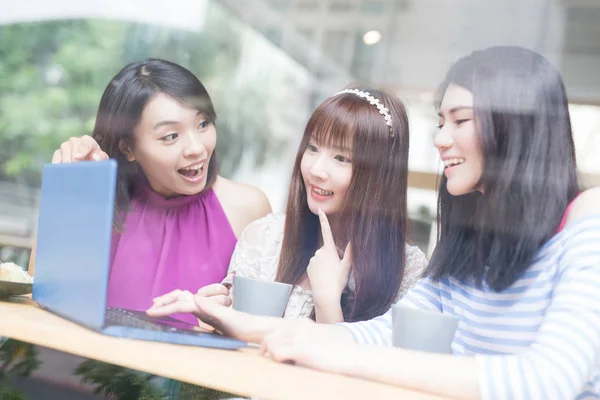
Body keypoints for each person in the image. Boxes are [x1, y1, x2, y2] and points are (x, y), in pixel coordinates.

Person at [150, 47, 600, 399]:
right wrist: (245, 326)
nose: (441, 140)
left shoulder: (589, 216)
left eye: (460, 121)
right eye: (440, 122)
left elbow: (548, 380)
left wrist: (316, 345)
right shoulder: (471, 238)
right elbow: (382, 332)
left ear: (516, 127)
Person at [149, 87, 429, 325]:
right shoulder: (265, 238)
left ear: (379, 175)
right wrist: (218, 323)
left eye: (341, 158)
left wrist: (328, 303)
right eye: (313, 148)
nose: (316, 169)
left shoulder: (408, 271)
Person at [30, 59, 271, 325]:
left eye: (203, 124)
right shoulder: (101, 206)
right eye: (171, 136)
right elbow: (40, 298)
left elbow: (263, 332)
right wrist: (70, 186)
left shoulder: (247, 208)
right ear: (127, 149)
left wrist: (225, 322)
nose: (197, 148)